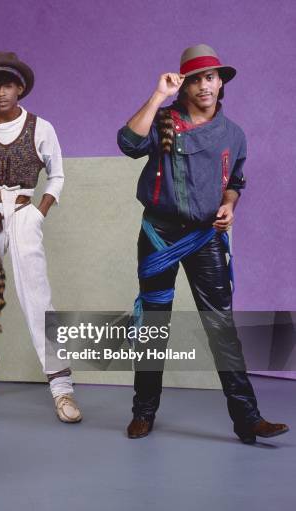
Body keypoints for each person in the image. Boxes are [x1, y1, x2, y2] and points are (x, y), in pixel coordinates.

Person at [117, 44, 289, 443]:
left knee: (221, 329)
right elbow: (128, 143)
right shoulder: (163, 120)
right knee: (154, 327)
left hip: (204, 237)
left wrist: (230, 206)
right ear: (183, 85)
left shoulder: (234, 135)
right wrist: (158, 94)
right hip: (159, 236)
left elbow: (235, 184)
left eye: (210, 77)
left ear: (221, 83)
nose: (203, 86)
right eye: (194, 79)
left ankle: (248, 419)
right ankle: (143, 412)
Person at [0, 51, 82, 423]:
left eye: (8, 85)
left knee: (37, 294)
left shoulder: (41, 127)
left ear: (21, 87)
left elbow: (57, 175)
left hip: (24, 209)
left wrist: (39, 211)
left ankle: (62, 388)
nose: (1, 93)